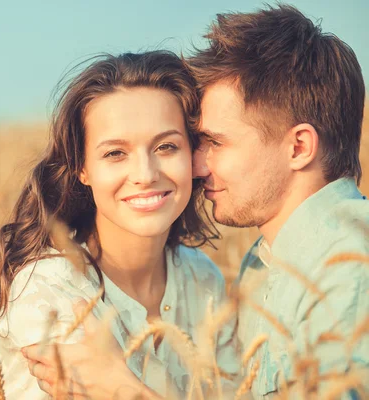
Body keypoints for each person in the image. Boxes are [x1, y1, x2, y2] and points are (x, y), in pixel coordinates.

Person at [23, 4, 368, 399]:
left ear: (299, 146)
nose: (197, 165)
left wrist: (120, 389)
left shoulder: (354, 266)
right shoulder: (261, 263)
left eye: (216, 142)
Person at [0, 50, 238, 399]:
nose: (146, 175)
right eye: (115, 153)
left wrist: (121, 386)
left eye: (166, 146)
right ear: (82, 168)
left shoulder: (202, 280)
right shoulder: (49, 290)